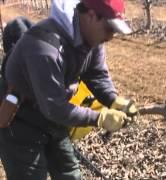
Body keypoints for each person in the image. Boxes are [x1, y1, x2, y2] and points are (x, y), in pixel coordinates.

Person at [0, 0, 137, 179]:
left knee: (69, 175)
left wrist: (113, 100)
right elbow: (55, 107)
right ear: (91, 15)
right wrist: (100, 118)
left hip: (53, 118)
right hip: (21, 118)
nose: (111, 36)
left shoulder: (93, 40)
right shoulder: (45, 48)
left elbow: (96, 74)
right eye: (109, 28)